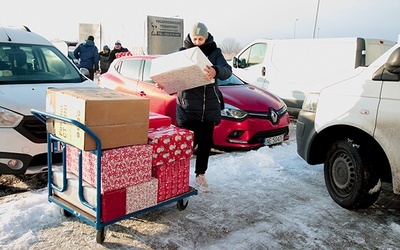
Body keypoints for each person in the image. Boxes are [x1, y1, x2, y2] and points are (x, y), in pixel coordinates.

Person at [158, 22, 232, 192]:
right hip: (187, 107)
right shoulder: (183, 53)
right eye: (195, 38)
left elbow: (227, 70)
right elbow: (171, 75)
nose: (198, 42)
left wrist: (216, 71)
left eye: (201, 38)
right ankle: (179, 177)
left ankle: (201, 174)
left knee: (205, 143)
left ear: (206, 37)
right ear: (190, 38)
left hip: (208, 107)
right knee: (185, 145)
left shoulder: (215, 52)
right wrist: (164, 83)